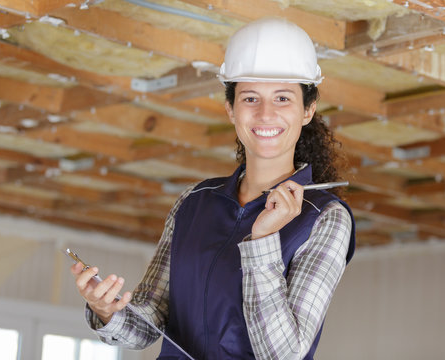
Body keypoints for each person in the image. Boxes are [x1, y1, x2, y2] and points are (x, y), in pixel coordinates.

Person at [71, 17, 355, 360]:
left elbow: (283, 354)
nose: (266, 114)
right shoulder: (194, 203)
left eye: (282, 98)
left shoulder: (325, 218)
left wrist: (263, 241)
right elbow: (148, 327)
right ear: (230, 109)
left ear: (308, 110)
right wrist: (106, 309)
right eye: (250, 98)